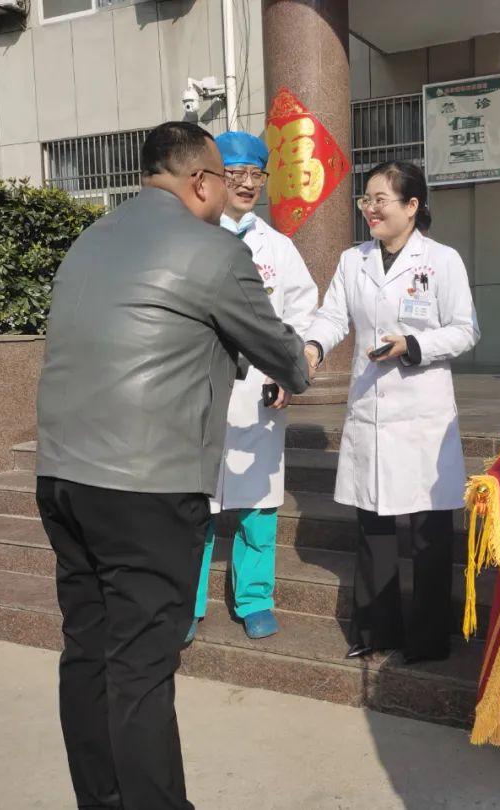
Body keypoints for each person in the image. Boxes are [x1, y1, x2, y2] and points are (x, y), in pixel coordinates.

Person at [35, 121, 311, 810]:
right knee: (141, 669)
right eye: (224, 177)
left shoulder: (91, 238)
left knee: (87, 652)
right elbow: (282, 354)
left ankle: (100, 799)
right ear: (199, 181)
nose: (232, 190)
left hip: (63, 478)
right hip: (146, 489)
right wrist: (301, 357)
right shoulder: (213, 249)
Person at [303, 160, 479, 663]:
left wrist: (413, 344)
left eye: (380, 199)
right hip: (372, 408)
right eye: (366, 199)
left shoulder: (441, 260)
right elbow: (333, 315)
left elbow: (465, 329)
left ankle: (428, 639)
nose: (370, 209)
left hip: (423, 413)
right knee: (374, 524)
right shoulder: (352, 260)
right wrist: (313, 348)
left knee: (428, 532)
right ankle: (376, 630)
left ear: (412, 205)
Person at [188, 131, 319, 642]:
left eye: (255, 174)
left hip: (258, 395)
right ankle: (186, 602)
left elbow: (302, 314)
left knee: (259, 506)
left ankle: (255, 598)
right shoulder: (192, 236)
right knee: (194, 505)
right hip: (199, 392)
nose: (246, 184)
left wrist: (287, 370)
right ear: (213, 178)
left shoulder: (278, 248)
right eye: (236, 173)